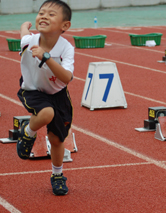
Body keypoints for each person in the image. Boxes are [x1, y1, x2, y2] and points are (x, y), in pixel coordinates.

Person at [17, 0, 74, 196]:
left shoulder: (66, 48)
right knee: (46, 113)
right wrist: (25, 26)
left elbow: (67, 77)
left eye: (51, 14)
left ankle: (57, 175)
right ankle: (28, 132)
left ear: (64, 26)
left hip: (58, 94)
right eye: (41, 13)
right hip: (32, 90)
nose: (43, 16)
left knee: (57, 139)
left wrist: (46, 57)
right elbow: (24, 34)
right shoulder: (29, 42)